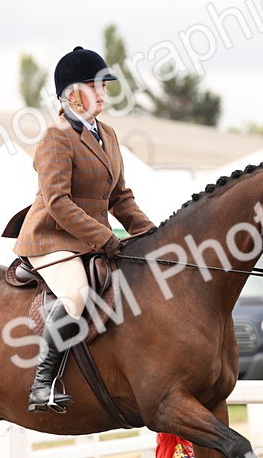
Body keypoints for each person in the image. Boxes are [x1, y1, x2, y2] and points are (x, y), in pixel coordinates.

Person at [11, 47, 157, 413]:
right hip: (52, 238)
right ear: (73, 93)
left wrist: (154, 235)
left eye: (104, 88)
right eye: (96, 87)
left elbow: (120, 198)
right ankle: (42, 384)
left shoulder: (107, 135)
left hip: (89, 240)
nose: (104, 94)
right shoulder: (55, 138)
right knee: (77, 296)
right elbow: (58, 202)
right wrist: (105, 238)